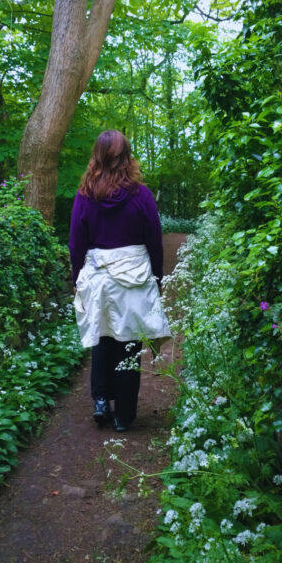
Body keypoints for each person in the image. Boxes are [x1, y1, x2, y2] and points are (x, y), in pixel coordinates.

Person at [69, 129, 170, 432]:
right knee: (128, 341)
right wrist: (157, 277)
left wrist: (78, 279)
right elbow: (154, 237)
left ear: (97, 156)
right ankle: (124, 415)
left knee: (102, 337)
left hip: (98, 277)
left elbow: (76, 242)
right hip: (134, 277)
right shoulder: (141, 194)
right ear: (126, 156)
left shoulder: (85, 194)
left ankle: (101, 401)